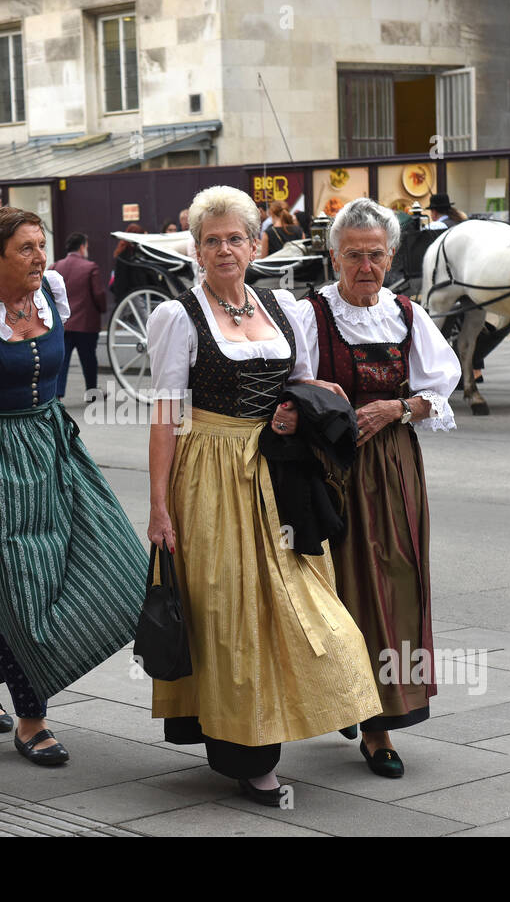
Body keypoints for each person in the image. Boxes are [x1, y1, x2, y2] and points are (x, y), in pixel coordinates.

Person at [146, 185, 382, 806]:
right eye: (211, 240)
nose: (224, 249)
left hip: (279, 477)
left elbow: (307, 386)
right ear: (195, 250)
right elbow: (166, 418)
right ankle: (249, 754)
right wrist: (159, 508)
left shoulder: (281, 307)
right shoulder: (179, 317)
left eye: (235, 238)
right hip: (210, 474)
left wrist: (292, 413)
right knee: (230, 613)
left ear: (257, 244)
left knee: (304, 607)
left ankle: (310, 709)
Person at [0, 206, 146, 767]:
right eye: (26, 249)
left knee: (120, 562)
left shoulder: (53, 291)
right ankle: (31, 717)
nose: (40, 257)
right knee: (16, 581)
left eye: (42, 245)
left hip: (53, 441)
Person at [294, 198, 459, 778]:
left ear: (391, 256)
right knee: (332, 590)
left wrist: (398, 407)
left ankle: (380, 723)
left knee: (393, 584)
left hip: (392, 467)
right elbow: (290, 387)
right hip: (329, 467)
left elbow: (441, 385)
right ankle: (343, 698)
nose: (366, 266)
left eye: (376, 255)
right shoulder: (308, 314)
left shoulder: (408, 314)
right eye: (354, 255)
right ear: (333, 256)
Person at [49, 232, 107, 400]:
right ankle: (91, 392)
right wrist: (102, 309)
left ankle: (57, 395)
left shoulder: (55, 267)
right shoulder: (90, 267)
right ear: (82, 247)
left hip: (63, 324)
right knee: (89, 359)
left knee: (62, 360)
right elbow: (98, 294)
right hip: (86, 323)